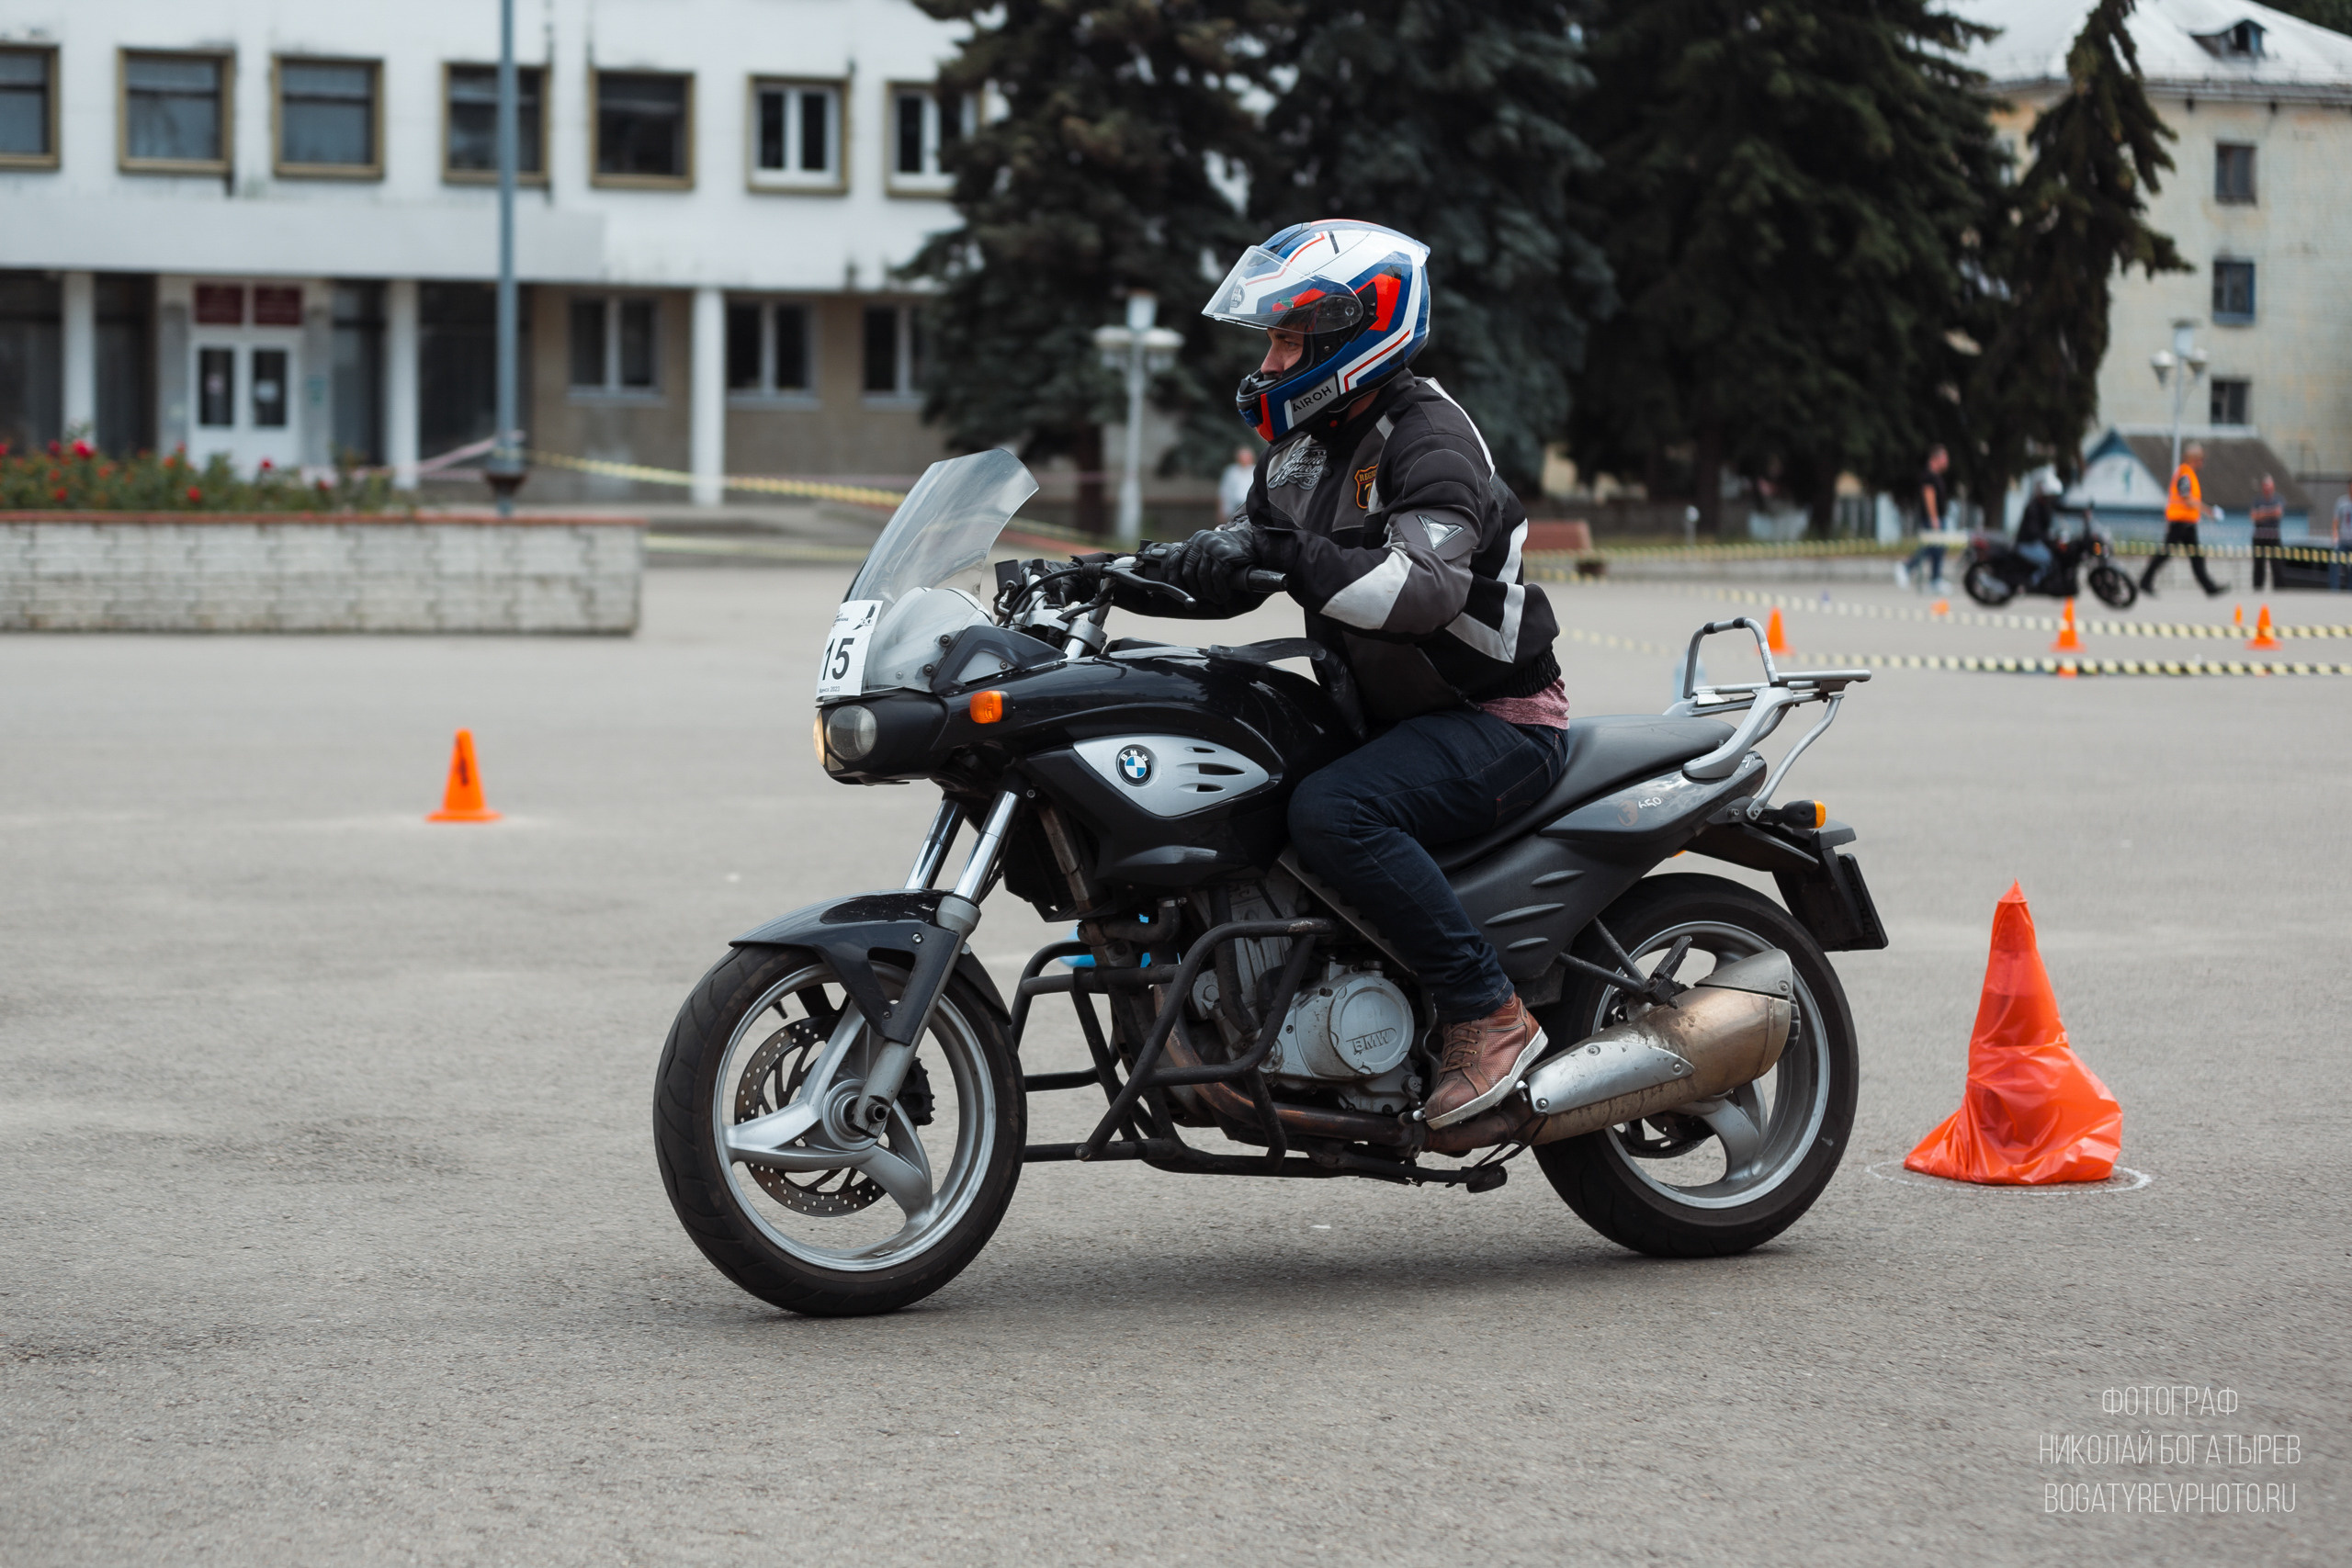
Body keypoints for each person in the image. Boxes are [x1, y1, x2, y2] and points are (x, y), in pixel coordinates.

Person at [1162, 220, 1567, 1129]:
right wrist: (1116, 576)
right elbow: (1246, 558)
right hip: (1393, 719)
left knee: (1333, 811)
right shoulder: (1305, 449)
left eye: (1285, 340)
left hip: (1496, 717)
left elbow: (1420, 590)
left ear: (1351, 334)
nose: (1268, 362)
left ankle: (1488, 1013)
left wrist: (1276, 554)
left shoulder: (1430, 437)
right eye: (1269, 340)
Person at [2139, 441, 2225, 597]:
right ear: (2193, 458)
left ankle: (2209, 587)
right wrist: (2209, 511)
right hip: (2180, 523)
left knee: (2195, 556)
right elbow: (2187, 498)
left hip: (2187, 523)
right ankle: (2145, 581)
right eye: (2201, 459)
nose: (2202, 462)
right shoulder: (2185, 474)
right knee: (2167, 554)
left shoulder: (2188, 473)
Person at [1895, 446, 1951, 592]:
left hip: (1938, 518)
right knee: (1930, 547)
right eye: (1944, 458)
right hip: (1933, 519)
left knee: (1937, 549)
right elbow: (1929, 497)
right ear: (1936, 458)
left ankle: (1935, 579)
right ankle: (1906, 567)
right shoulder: (1929, 476)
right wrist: (1934, 518)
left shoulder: (1936, 476)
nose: (1947, 461)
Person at [2013, 473, 2063, 590]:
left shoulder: (2044, 506)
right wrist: (2049, 538)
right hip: (2027, 544)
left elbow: (2062, 509)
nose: (2052, 499)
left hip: (2034, 542)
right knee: (2050, 561)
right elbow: (2034, 530)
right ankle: (2032, 583)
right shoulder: (2034, 507)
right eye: (2051, 496)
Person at [2248, 475, 2284, 592]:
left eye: (2269, 487)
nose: (2267, 489)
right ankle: (2258, 588)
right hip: (2259, 536)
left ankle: (2279, 589)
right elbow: (2253, 516)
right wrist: (2270, 512)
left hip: (2274, 536)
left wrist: (2263, 513)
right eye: (2266, 487)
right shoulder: (2257, 500)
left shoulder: (2278, 499)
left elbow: (2278, 513)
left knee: (2277, 564)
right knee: (2259, 564)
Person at [1215, 446, 1257, 525]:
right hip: (1233, 508)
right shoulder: (1231, 471)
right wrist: (1221, 511)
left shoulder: (1256, 471)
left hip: (1250, 508)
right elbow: (1224, 491)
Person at [2335, 480, 2352, 592]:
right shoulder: (2342, 502)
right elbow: (2335, 520)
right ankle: (2335, 590)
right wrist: (2335, 535)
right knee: (2337, 562)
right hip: (2344, 540)